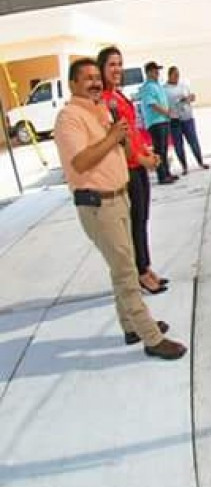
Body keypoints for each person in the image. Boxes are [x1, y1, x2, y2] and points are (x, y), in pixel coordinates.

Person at [54, 58, 186, 360]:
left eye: (95, 78)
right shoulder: (69, 118)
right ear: (73, 84)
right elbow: (80, 162)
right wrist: (112, 136)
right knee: (128, 273)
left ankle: (130, 326)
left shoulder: (103, 110)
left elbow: (122, 150)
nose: (94, 82)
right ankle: (151, 338)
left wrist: (123, 138)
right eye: (86, 78)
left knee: (120, 269)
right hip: (98, 205)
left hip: (119, 198)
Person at [98, 48, 168, 295]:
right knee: (136, 221)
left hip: (138, 163)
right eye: (111, 65)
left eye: (119, 64)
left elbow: (134, 132)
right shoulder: (106, 100)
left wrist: (148, 152)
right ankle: (140, 273)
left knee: (142, 219)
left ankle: (145, 267)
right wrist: (142, 159)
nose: (117, 69)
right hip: (127, 168)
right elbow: (119, 138)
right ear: (101, 69)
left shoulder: (118, 95)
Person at [163, 66, 209, 175]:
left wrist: (189, 98)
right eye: (175, 75)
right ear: (169, 76)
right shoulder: (164, 89)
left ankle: (200, 161)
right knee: (178, 144)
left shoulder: (184, 85)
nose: (177, 77)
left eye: (178, 75)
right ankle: (184, 166)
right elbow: (164, 104)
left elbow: (192, 96)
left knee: (193, 140)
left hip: (187, 117)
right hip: (174, 119)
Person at [137, 61, 176, 185]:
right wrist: (165, 112)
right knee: (159, 150)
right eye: (154, 71)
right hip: (155, 121)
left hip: (163, 120)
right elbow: (152, 104)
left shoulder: (157, 85)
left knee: (164, 149)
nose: (157, 73)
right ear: (148, 72)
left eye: (157, 71)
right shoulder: (148, 87)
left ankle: (167, 173)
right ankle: (162, 175)